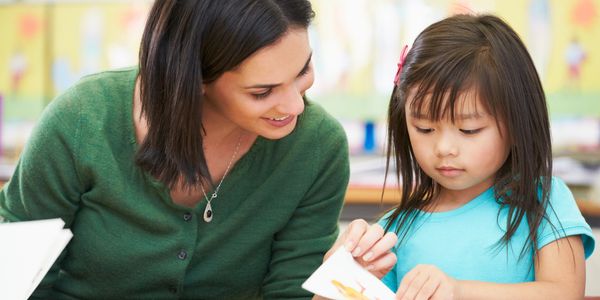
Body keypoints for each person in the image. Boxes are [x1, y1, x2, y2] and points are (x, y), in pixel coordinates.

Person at [0, 0, 396, 298]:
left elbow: (291, 292)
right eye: (262, 92)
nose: (295, 105)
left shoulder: (316, 146)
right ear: (194, 78)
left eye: (303, 71)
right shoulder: (83, 119)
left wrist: (337, 284)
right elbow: (15, 277)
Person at [380, 14, 595, 299]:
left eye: (469, 129)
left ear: (517, 122)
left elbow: (564, 293)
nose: (444, 147)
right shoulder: (393, 231)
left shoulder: (543, 202)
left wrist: (459, 291)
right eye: (425, 128)